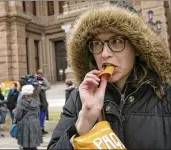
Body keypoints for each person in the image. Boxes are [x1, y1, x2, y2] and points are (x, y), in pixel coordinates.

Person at [48, 3, 171, 149]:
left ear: (137, 47)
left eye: (116, 42)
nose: (104, 54)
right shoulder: (79, 99)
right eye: (97, 44)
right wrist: (83, 123)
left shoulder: (165, 95)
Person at [14, 84, 43, 150]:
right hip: (35, 123)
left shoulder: (21, 102)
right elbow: (38, 113)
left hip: (25, 124)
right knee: (33, 144)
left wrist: (14, 112)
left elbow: (18, 116)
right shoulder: (36, 101)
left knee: (26, 144)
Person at [36, 69, 50, 134]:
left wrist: (42, 79)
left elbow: (48, 86)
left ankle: (42, 128)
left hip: (43, 102)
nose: (40, 75)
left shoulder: (42, 81)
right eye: (39, 74)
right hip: (39, 102)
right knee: (40, 117)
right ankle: (40, 129)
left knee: (42, 116)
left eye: (41, 74)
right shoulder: (35, 82)